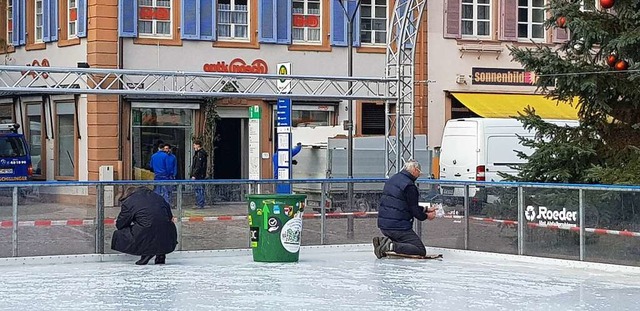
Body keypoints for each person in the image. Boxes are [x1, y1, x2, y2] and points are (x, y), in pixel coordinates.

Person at [373, 160, 437, 258]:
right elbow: (414, 210)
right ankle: (390, 245)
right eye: (419, 172)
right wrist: (427, 216)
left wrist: (426, 209)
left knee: (405, 244)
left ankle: (386, 244)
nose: (419, 175)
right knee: (419, 249)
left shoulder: (392, 179)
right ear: (415, 170)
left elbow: (403, 204)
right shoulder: (409, 186)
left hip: (384, 225)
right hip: (399, 227)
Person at [111, 186, 178, 265]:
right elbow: (169, 216)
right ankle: (160, 254)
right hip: (169, 234)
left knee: (121, 233)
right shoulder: (158, 197)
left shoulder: (129, 202)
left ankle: (146, 253)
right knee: (158, 226)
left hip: (146, 234)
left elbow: (121, 224)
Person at [189, 140, 208, 209]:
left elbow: (198, 166)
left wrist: (194, 174)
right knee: (199, 189)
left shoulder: (200, 154)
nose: (193, 146)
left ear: (198, 145)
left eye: (194, 145)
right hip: (200, 175)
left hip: (199, 175)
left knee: (199, 189)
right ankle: (199, 203)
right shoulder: (200, 153)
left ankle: (200, 203)